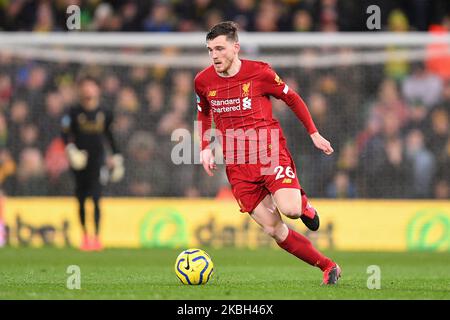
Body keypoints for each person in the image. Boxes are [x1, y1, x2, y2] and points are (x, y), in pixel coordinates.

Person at [195, 21, 341, 284]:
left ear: (235, 47)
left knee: (291, 210)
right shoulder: (203, 81)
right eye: (209, 50)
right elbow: (204, 111)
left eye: (219, 48)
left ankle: (303, 203)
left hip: (269, 153)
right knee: (274, 229)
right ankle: (328, 267)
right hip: (238, 165)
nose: (214, 55)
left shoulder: (260, 73)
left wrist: (314, 133)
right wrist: (205, 147)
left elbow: (291, 97)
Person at [61, 77, 124, 251]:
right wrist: (71, 150)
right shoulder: (73, 112)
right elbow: (65, 135)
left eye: (91, 87)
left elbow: (110, 137)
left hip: (98, 162)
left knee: (96, 198)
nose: (88, 90)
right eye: (85, 87)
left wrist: (117, 157)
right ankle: (84, 236)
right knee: (81, 200)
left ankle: (96, 237)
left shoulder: (105, 112)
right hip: (79, 163)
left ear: (97, 90)